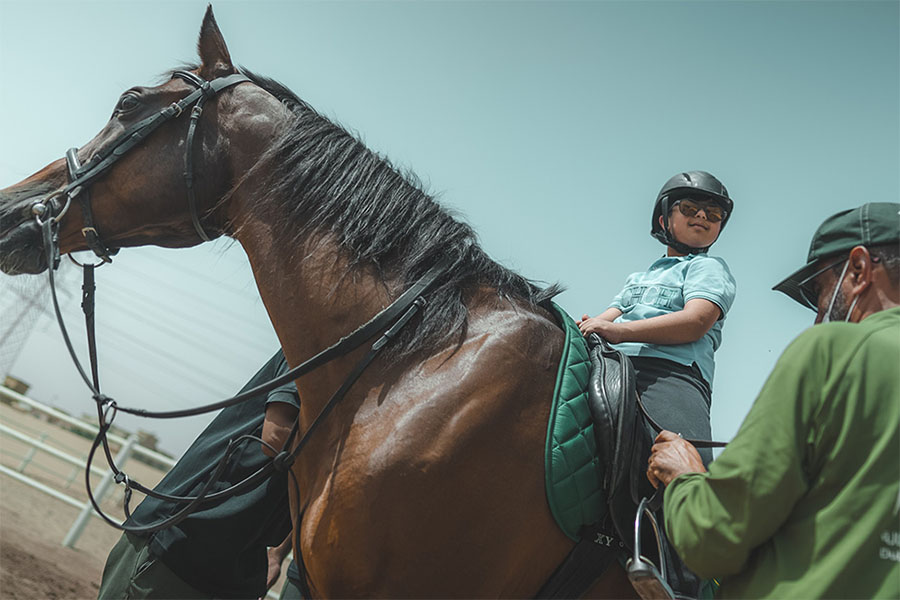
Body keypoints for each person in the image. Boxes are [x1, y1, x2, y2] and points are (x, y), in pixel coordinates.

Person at [647, 202, 900, 599]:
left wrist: (684, 477)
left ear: (858, 269)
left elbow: (713, 538)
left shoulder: (834, 350)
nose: (819, 316)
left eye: (819, 291)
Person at [97, 350, 300, 600]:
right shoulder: (322, 343)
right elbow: (277, 435)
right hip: (183, 541)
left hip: (237, 566)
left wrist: (277, 554)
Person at [578, 171, 737, 467]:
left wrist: (619, 332)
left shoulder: (709, 268)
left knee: (684, 465)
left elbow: (695, 322)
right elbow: (606, 318)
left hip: (673, 373)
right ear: (665, 220)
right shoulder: (639, 278)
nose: (702, 215)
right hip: (615, 366)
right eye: (690, 208)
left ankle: (682, 509)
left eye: (713, 213)